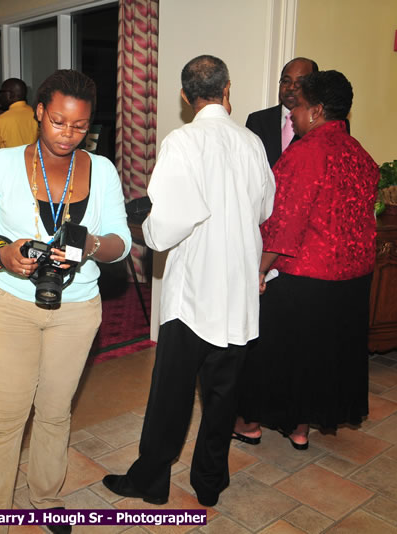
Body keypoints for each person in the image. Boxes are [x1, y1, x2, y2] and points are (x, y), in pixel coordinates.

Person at [0, 69, 131, 533]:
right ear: (39, 112)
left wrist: (92, 245)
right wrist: (2, 253)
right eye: (58, 122)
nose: (68, 134)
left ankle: (47, 499)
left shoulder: (103, 169)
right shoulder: (2, 163)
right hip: (12, 304)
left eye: (79, 126)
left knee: (55, 412)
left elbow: (122, 242)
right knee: (5, 417)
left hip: (77, 309)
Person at [101, 55, 275, 508]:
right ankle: (210, 482)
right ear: (228, 88)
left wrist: (147, 228)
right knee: (223, 395)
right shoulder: (252, 142)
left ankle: (152, 480)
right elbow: (263, 210)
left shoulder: (183, 141)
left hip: (194, 291)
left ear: (184, 96)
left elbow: (168, 225)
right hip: (237, 288)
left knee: (171, 395)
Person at [233, 71, 379, 450]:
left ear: (315, 111)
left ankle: (248, 423)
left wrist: (259, 270)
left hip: (306, 278)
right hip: (352, 281)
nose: (291, 115)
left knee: (269, 353)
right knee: (319, 358)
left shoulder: (306, 152)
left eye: (296, 107)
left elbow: (286, 222)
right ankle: (299, 428)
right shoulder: (361, 155)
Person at [245, 57, 318, 168]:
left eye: (299, 83)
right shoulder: (257, 121)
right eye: (286, 81)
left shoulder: (321, 124)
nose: (291, 87)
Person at [0, 78, 38, 154]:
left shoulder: (0, 121)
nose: (0, 96)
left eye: (2, 92)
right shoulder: (37, 114)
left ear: (10, 95)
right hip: (33, 163)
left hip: (10, 164)